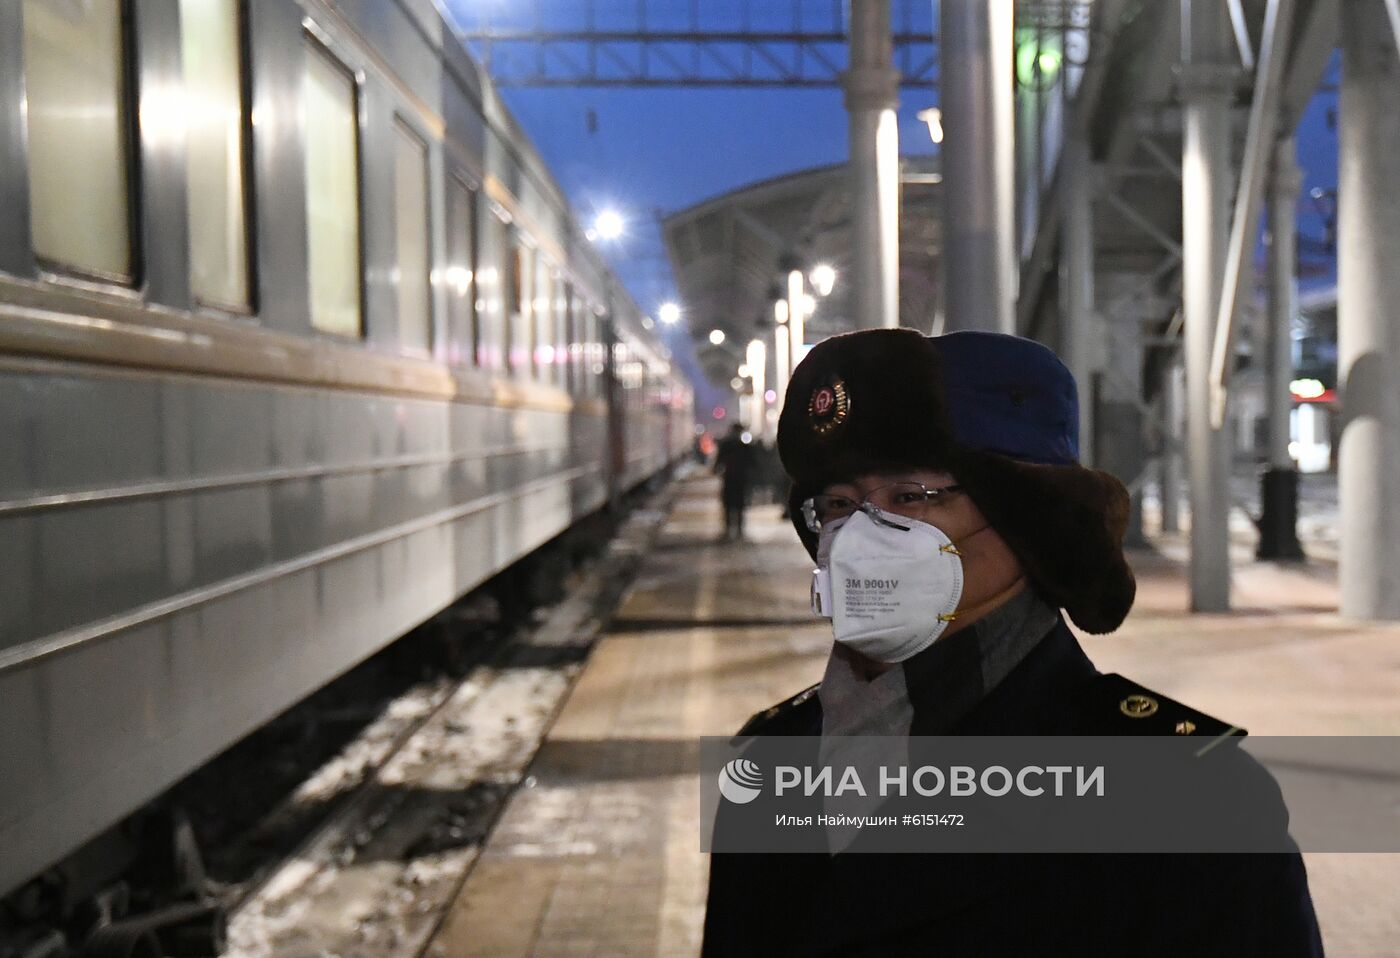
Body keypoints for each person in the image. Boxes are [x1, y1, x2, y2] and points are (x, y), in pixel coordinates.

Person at [702, 329, 1322, 956]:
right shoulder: (772, 757)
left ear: (1024, 514)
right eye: (838, 502)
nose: (861, 535)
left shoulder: (1190, 797)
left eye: (909, 496)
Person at [713, 422, 757, 540]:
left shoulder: (726, 444)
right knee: (740, 505)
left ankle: (728, 530)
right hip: (741, 479)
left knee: (729, 505)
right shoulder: (744, 446)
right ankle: (739, 530)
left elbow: (719, 460)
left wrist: (716, 469)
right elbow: (753, 462)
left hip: (730, 478)